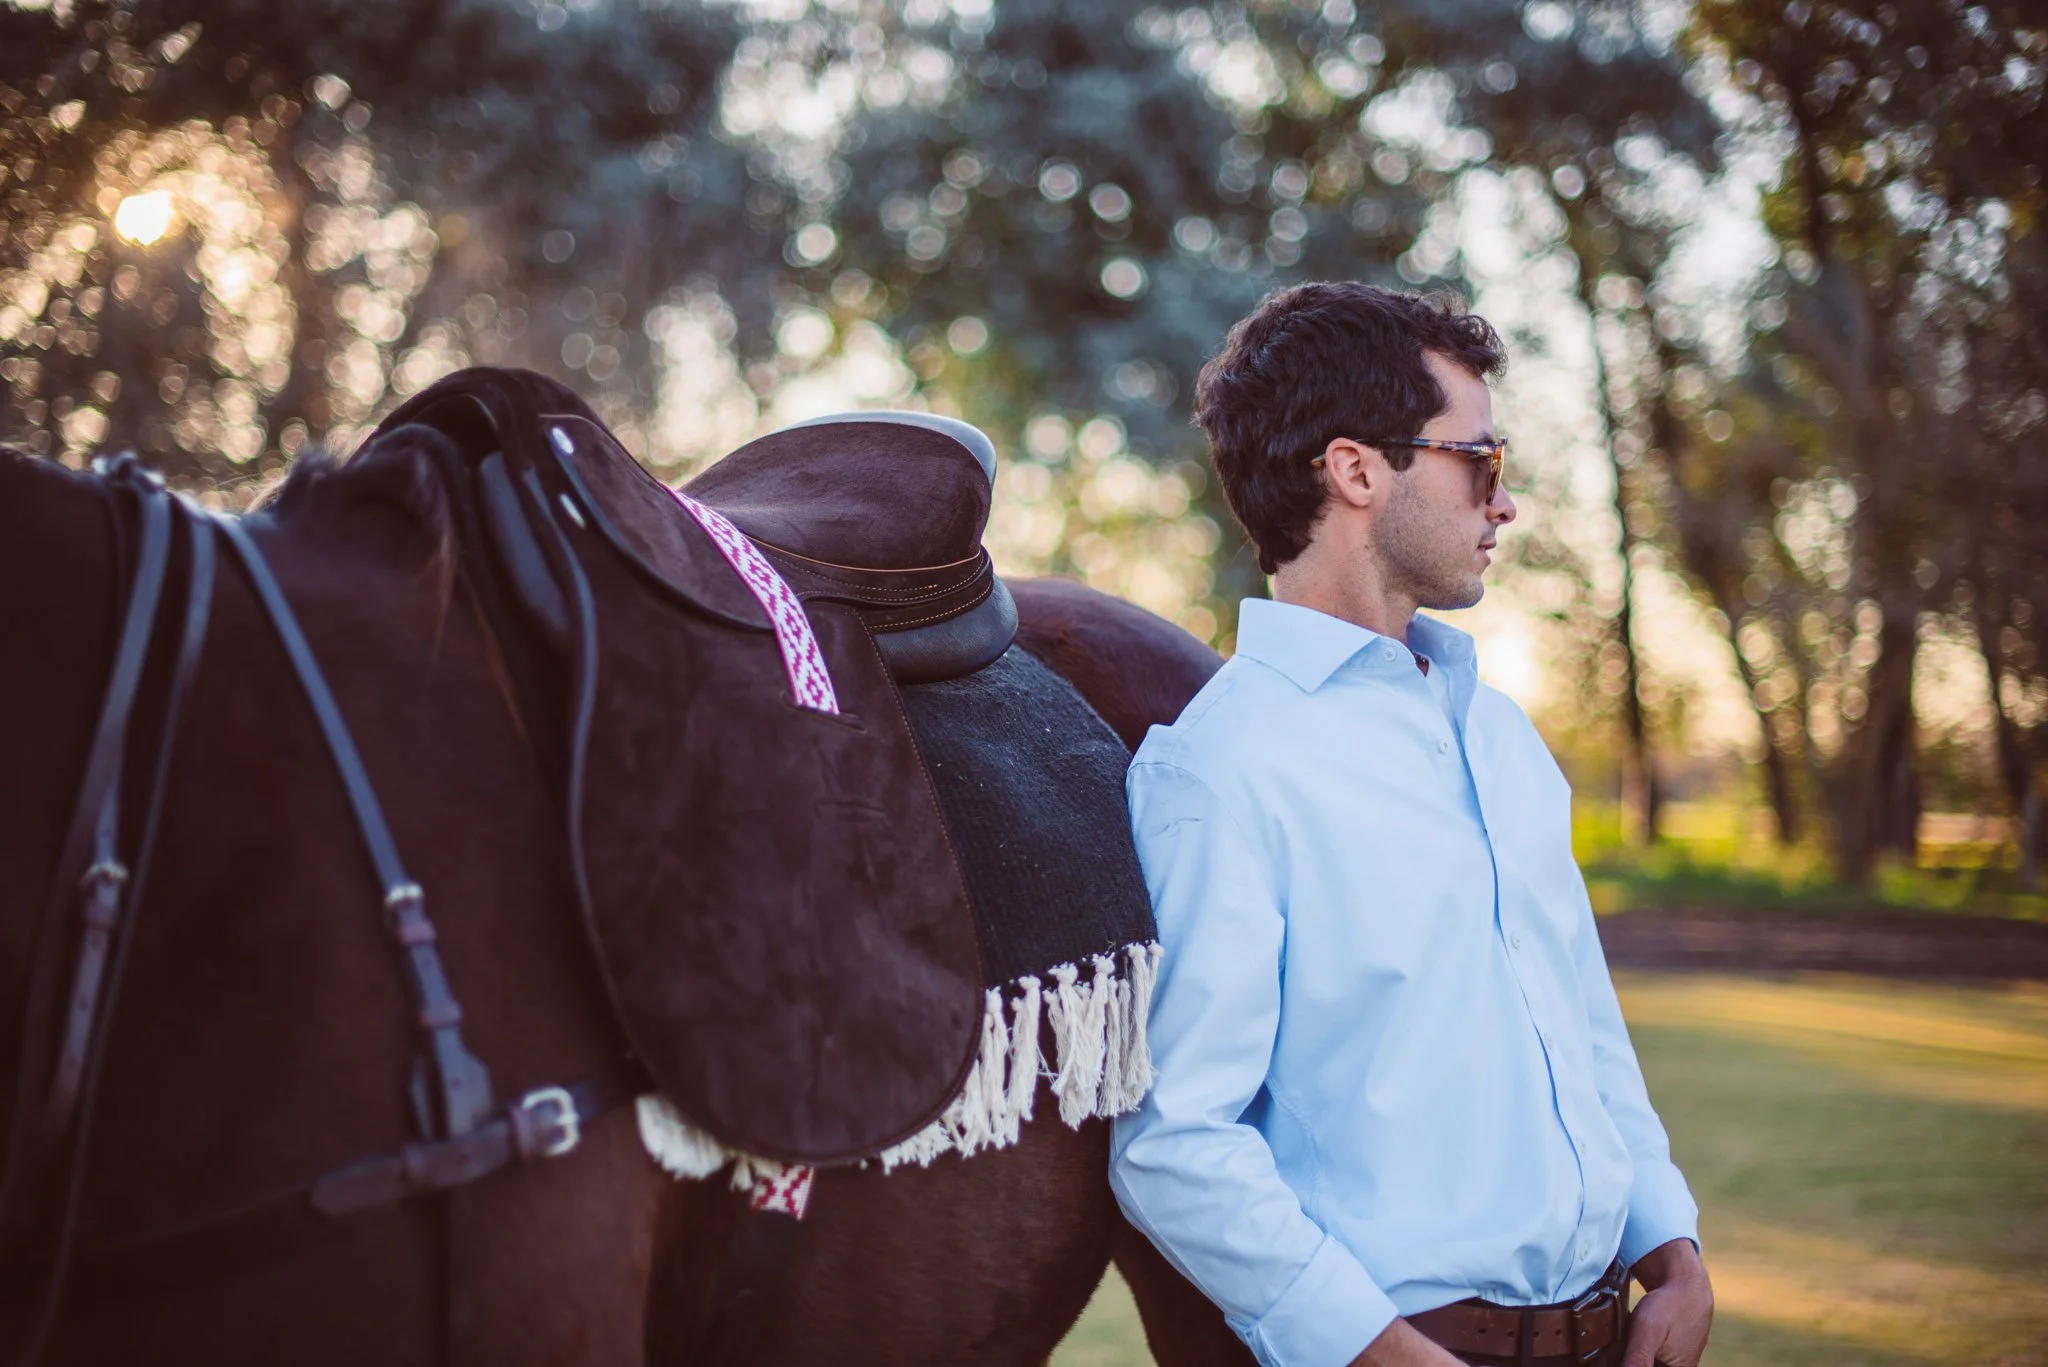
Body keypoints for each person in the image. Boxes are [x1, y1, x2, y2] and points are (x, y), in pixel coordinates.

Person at [1109, 283, 1714, 1367]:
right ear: (1355, 471)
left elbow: (1582, 1030)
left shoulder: (1502, 735)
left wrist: (1671, 1246)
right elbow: (1173, 1141)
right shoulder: (1220, 769)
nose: (1504, 502)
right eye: (1480, 460)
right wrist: (1375, 1347)